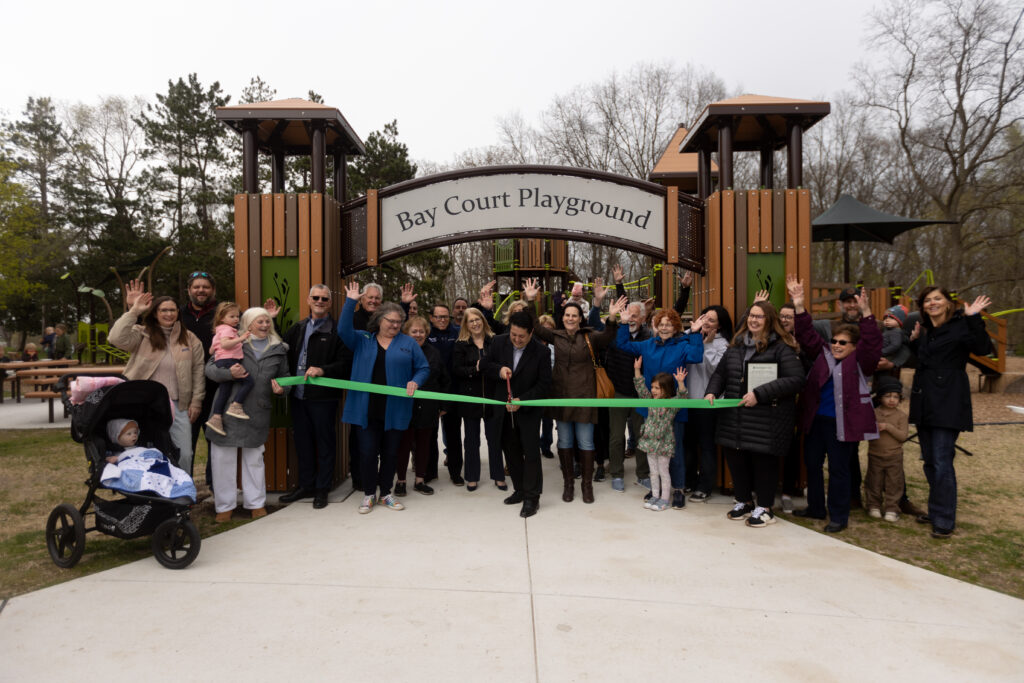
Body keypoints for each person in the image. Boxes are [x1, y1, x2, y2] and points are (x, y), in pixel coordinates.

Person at [788, 276, 881, 533]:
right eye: (835, 341)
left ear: (853, 346)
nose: (837, 345)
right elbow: (806, 335)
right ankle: (816, 507)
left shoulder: (860, 362)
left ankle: (839, 516)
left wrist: (866, 313)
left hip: (843, 424)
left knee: (839, 470)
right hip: (817, 421)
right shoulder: (824, 355)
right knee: (813, 465)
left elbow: (872, 345)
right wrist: (799, 305)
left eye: (843, 343)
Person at [522, 277, 626, 504]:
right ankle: (568, 484)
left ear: (580, 319)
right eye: (567, 315)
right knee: (565, 442)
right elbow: (536, 328)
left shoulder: (590, 336)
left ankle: (586, 486)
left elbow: (608, 337)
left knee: (586, 443)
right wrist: (531, 302)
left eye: (574, 316)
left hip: (585, 398)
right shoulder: (555, 336)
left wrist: (610, 317)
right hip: (561, 397)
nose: (570, 318)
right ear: (563, 317)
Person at [704, 299, 804, 528]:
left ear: (769, 320)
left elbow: (796, 379)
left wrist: (760, 393)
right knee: (736, 459)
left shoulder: (781, 347)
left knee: (763, 462)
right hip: (734, 417)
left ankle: (765, 507)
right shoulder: (736, 345)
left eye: (759, 316)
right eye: (751, 315)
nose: (754, 320)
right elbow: (720, 374)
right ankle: (745, 501)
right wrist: (711, 392)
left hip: (766, 418)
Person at [908, 286, 992, 539]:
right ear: (922, 306)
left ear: (947, 303)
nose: (932, 303)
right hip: (924, 401)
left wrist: (975, 317)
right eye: (927, 300)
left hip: (948, 402)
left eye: (937, 299)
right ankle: (936, 511)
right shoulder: (925, 331)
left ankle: (945, 519)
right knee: (930, 461)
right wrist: (914, 343)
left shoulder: (961, 325)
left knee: (943, 461)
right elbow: (925, 361)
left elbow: (983, 348)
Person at [339, 282, 429, 514]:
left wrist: (415, 381)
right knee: (368, 453)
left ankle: (386, 493)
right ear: (380, 320)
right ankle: (369, 494)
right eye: (392, 322)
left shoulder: (408, 343)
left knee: (391, 453)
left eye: (399, 323)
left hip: (395, 409)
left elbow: (423, 368)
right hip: (366, 409)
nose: (396, 326)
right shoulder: (362, 340)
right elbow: (342, 331)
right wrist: (350, 302)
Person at [108, 281, 206, 474]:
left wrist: (196, 401)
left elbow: (198, 371)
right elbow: (115, 338)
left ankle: (181, 494)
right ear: (155, 313)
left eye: (173, 310)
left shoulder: (190, 338)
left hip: (178, 404)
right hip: (144, 405)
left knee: (185, 453)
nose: (169, 314)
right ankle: (152, 492)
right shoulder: (142, 334)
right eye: (163, 310)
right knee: (148, 450)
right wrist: (134, 311)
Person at [204, 307, 290, 522]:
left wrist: (282, 390)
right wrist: (227, 373)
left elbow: (285, 377)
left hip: (257, 411)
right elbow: (210, 369)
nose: (264, 326)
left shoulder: (279, 349)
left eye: (267, 322)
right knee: (222, 459)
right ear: (248, 324)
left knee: (254, 460)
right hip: (226, 412)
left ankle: (256, 504)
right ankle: (225, 505)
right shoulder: (234, 341)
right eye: (259, 322)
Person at [615, 306, 706, 508]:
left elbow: (696, 356)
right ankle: (656, 490)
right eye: (661, 324)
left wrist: (697, 333)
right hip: (651, 408)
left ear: (675, 328)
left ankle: (679, 489)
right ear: (655, 326)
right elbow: (622, 344)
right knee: (653, 451)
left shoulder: (683, 345)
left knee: (675, 451)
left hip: (674, 409)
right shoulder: (647, 345)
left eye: (669, 324)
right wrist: (623, 324)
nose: (664, 327)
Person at [481, 310, 552, 517]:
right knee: (510, 451)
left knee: (530, 454)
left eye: (521, 336)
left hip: (528, 411)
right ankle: (519, 490)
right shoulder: (498, 342)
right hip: (503, 410)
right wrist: (499, 370)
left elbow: (544, 385)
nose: (517, 339)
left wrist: (524, 401)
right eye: (513, 335)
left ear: (531, 333)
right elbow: (485, 365)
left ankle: (532, 498)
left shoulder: (542, 352)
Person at [281, 284, 346, 509]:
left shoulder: (337, 331)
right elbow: (281, 354)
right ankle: (306, 485)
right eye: (315, 297)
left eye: (324, 299)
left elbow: (345, 364)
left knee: (325, 443)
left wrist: (323, 370)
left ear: (330, 303)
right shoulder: (297, 328)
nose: (319, 301)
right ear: (308, 300)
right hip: (299, 398)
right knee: (303, 443)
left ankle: (322, 489)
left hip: (324, 398)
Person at [452, 306, 506, 491]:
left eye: (478, 319)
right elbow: (457, 370)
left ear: (483, 321)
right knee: (471, 441)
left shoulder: (495, 341)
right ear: (466, 324)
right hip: (471, 398)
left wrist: (489, 368)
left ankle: (498, 476)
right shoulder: (461, 344)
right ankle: (472, 477)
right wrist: (474, 369)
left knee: (495, 439)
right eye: (471, 320)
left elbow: (500, 365)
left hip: (493, 398)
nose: (475, 323)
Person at [684, 305, 733, 503]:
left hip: (707, 404)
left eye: (712, 320)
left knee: (706, 446)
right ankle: (689, 480)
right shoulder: (691, 334)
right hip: (687, 401)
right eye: (704, 317)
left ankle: (705, 486)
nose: (706, 322)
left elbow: (718, 372)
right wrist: (695, 335)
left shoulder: (723, 344)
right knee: (687, 445)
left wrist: (708, 345)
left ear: (720, 325)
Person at [395, 315, 449, 497]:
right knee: (404, 444)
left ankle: (420, 480)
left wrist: (443, 405)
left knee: (424, 444)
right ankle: (401, 481)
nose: (418, 334)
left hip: (428, 407)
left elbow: (443, 380)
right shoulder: (399, 351)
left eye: (421, 331)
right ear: (406, 333)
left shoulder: (434, 352)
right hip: (404, 405)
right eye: (414, 331)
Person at [604, 299, 652, 493]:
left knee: (642, 435)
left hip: (640, 393)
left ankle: (643, 473)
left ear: (642, 318)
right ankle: (616, 473)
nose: (630, 319)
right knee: (616, 437)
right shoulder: (615, 333)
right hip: (618, 391)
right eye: (628, 315)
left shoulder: (649, 337)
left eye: (634, 316)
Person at [633, 359, 688, 511]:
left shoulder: (671, 404)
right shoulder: (649, 400)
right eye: (653, 387)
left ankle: (664, 499)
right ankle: (655, 496)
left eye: (657, 388)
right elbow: (640, 387)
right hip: (650, 442)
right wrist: (637, 370)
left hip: (664, 443)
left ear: (667, 389)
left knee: (663, 472)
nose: (653, 390)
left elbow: (683, 397)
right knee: (653, 472)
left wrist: (681, 382)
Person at [100, 418, 197, 501]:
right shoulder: (115, 453)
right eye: (128, 434)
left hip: (148, 461)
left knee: (169, 471)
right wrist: (113, 459)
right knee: (141, 475)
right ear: (116, 437)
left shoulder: (140, 447)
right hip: (134, 466)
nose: (134, 435)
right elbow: (117, 461)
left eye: (135, 432)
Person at [179, 271, 219, 455]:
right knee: (185, 443)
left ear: (213, 290)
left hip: (216, 387)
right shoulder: (177, 315)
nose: (201, 290)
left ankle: (215, 482)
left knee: (216, 441)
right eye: (196, 287)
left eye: (205, 287)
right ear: (189, 290)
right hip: (185, 388)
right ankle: (186, 481)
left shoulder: (224, 313)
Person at [204, 302, 255, 436]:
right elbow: (225, 344)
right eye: (232, 316)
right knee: (249, 381)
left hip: (222, 361)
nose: (236, 319)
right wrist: (241, 338)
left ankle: (216, 417)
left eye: (237, 316)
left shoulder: (219, 330)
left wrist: (219, 351)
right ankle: (236, 405)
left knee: (224, 390)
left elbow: (211, 350)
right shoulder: (227, 330)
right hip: (229, 361)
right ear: (222, 318)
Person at [865, 377, 909, 521]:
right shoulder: (873, 413)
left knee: (894, 483)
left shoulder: (901, 416)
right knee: (874, 481)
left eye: (896, 397)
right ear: (880, 397)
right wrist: (873, 428)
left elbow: (903, 436)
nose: (892, 400)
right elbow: (867, 434)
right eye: (888, 396)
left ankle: (891, 508)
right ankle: (873, 505)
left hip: (894, 456)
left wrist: (888, 427)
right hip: (875, 454)